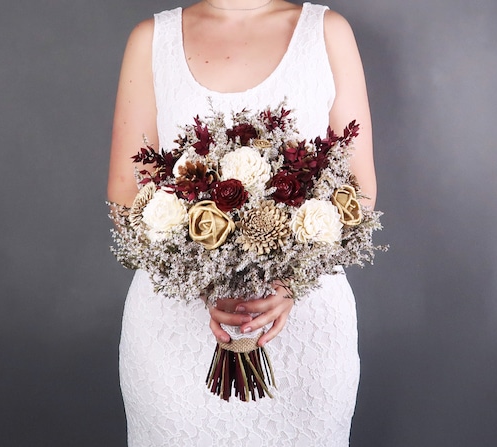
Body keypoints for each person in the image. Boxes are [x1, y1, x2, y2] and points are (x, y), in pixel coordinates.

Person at [107, 0, 376, 445]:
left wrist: (290, 285)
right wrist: (201, 277)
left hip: (303, 325)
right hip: (176, 330)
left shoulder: (327, 31)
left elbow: (359, 191)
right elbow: (126, 192)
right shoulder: (150, 39)